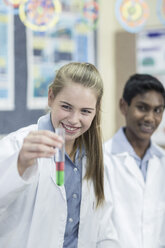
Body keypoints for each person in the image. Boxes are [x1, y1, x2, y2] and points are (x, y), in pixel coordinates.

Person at [0, 62, 119, 248]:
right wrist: (20, 165)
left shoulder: (95, 156)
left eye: (85, 111)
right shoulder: (18, 145)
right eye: (66, 107)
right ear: (50, 97)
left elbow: (103, 227)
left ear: (96, 109)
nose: (73, 119)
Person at [104, 73, 165, 248]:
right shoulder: (102, 159)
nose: (150, 118)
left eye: (158, 110)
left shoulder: (162, 161)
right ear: (124, 106)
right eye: (142, 107)